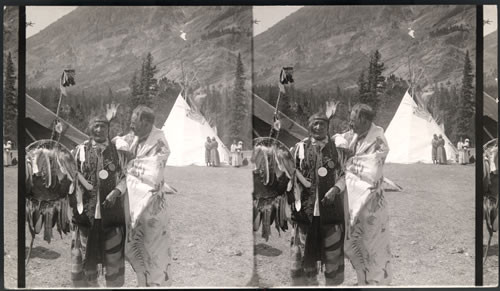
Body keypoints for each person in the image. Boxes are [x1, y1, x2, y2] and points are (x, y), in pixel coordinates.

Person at [335, 103, 392, 285]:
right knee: (354, 244)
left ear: (366, 120)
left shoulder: (378, 140)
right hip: (353, 203)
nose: (351, 125)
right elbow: (336, 139)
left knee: (373, 246)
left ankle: (376, 282)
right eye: (350, 121)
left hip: (371, 204)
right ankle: (362, 279)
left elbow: (372, 170)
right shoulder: (353, 135)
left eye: (354, 121)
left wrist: (349, 164)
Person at [289, 112, 347, 286]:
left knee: (332, 251)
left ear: (328, 127)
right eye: (315, 124)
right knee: (305, 249)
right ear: (309, 126)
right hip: (305, 210)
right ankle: (309, 284)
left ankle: (332, 283)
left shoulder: (336, 149)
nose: (319, 127)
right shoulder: (300, 148)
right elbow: (290, 172)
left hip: (330, 210)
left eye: (322, 124)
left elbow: (345, 174)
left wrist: (336, 189)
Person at [70, 113, 126, 287]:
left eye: (103, 126)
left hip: (112, 214)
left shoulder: (117, 151)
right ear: (90, 129)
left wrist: (117, 191)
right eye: (96, 126)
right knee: (87, 256)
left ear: (108, 129)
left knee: (113, 256)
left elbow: (126, 176)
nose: (100, 129)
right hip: (87, 214)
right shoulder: (80, 151)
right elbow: (70, 174)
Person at [120, 105, 173, 287]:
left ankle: (157, 284)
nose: (131, 126)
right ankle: (142, 283)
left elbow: (153, 173)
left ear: (148, 123)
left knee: (155, 252)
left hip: (152, 209)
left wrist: (128, 167)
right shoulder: (135, 138)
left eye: (135, 123)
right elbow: (117, 142)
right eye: (131, 122)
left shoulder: (160, 143)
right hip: (135, 208)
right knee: (134, 248)